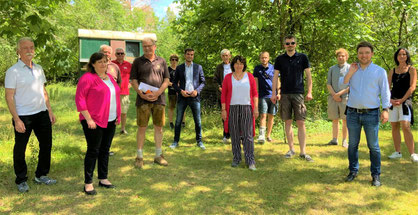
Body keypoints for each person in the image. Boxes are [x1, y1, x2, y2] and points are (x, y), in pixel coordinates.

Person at [5, 37, 57, 193]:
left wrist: (49, 110)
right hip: (23, 116)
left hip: (41, 113)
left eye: (31, 47)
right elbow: (9, 96)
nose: (29, 50)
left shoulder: (39, 68)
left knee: (46, 145)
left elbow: (43, 91)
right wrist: (16, 119)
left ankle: (41, 175)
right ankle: (21, 180)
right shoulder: (13, 71)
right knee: (20, 148)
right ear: (18, 51)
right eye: (25, 48)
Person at [342, 41, 390, 187]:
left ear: (372, 54)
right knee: (352, 145)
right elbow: (343, 84)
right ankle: (353, 171)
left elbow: (385, 91)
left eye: (367, 53)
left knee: (373, 146)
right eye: (361, 53)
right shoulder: (352, 69)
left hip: (371, 114)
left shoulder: (379, 71)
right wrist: (350, 72)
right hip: (352, 113)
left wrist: (386, 109)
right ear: (357, 54)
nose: (364, 55)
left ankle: (376, 175)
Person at [75, 52, 121, 195]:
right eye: (99, 62)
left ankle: (103, 178)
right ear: (93, 64)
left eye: (105, 61)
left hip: (110, 119)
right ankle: (88, 183)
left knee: (105, 150)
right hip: (94, 121)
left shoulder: (110, 78)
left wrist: (117, 115)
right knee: (93, 150)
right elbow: (80, 99)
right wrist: (88, 119)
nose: (103, 64)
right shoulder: (87, 78)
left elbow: (115, 96)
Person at [271, 35, 314, 162]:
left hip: (298, 94)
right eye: (287, 43)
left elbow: (309, 77)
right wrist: (274, 93)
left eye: (292, 43)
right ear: (284, 45)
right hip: (284, 94)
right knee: (288, 122)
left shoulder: (303, 57)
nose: (290, 45)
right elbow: (275, 77)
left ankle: (303, 152)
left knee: (301, 122)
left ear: (296, 44)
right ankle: (291, 149)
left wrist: (309, 92)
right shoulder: (279, 59)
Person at [130, 38, 170, 168]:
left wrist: (158, 93)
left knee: (159, 128)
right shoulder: (137, 61)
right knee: (142, 127)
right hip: (143, 100)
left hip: (159, 100)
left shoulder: (162, 61)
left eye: (149, 46)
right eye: (144, 46)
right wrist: (141, 93)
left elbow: (166, 80)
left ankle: (158, 155)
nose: (147, 48)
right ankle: (139, 157)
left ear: (155, 47)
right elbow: (134, 80)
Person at [221, 55, 258, 170]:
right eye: (236, 63)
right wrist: (223, 110)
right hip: (232, 108)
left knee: (248, 135)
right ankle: (236, 158)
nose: (239, 65)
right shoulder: (228, 77)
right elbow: (224, 95)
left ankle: (250, 160)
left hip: (247, 107)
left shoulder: (250, 76)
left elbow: (255, 94)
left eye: (241, 63)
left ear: (244, 65)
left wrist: (256, 108)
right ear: (233, 65)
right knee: (235, 135)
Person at [170, 48, 206, 150]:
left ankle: (199, 141)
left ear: (193, 56)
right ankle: (175, 141)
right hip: (183, 96)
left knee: (197, 121)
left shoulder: (198, 67)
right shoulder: (179, 68)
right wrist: (180, 91)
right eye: (188, 54)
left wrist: (197, 91)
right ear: (185, 55)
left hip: (194, 97)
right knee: (178, 121)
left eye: (192, 54)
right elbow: (174, 83)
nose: (190, 56)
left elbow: (203, 82)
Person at [387, 48, 417, 162]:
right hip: (393, 102)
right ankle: (397, 152)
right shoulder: (392, 71)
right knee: (394, 126)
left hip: (405, 102)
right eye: (400, 54)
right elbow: (387, 87)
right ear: (396, 56)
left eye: (404, 54)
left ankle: (413, 154)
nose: (402, 56)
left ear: (407, 56)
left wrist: (402, 99)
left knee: (406, 126)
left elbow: (412, 87)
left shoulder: (412, 69)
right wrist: (390, 100)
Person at [253, 51, 279, 144]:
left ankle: (268, 135)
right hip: (262, 96)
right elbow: (255, 82)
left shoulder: (274, 68)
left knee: (271, 116)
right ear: (260, 59)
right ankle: (262, 135)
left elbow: (278, 80)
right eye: (262, 58)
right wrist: (255, 94)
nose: (264, 59)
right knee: (263, 115)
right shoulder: (257, 69)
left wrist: (278, 92)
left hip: (273, 95)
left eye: (265, 57)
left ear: (268, 58)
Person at [326, 48, 350, 147]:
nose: (340, 57)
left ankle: (345, 140)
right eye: (339, 56)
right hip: (333, 97)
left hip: (345, 97)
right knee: (335, 119)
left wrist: (340, 94)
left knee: (345, 120)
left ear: (346, 57)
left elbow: (351, 85)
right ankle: (334, 139)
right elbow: (328, 84)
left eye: (343, 56)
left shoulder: (349, 68)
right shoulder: (332, 69)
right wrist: (334, 95)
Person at [112, 47, 132, 135]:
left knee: (123, 112)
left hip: (124, 92)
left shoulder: (128, 65)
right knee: (112, 111)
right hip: (112, 92)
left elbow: (133, 78)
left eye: (122, 53)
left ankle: (123, 129)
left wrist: (130, 85)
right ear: (115, 55)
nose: (120, 55)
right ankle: (111, 128)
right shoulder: (111, 64)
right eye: (118, 53)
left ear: (124, 55)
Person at [214, 49, 232, 143]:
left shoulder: (234, 66)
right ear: (221, 57)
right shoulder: (219, 67)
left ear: (230, 56)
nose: (225, 57)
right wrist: (219, 87)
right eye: (223, 55)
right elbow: (215, 80)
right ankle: (226, 134)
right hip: (223, 94)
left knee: (234, 114)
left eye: (227, 55)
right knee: (224, 114)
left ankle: (235, 134)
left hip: (234, 94)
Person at [167, 54, 185, 129]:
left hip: (180, 91)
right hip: (172, 92)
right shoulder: (167, 69)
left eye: (176, 60)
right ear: (170, 60)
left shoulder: (180, 69)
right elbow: (167, 82)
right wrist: (176, 86)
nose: (174, 61)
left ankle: (183, 122)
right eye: (172, 59)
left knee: (182, 107)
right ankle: (171, 123)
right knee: (171, 107)